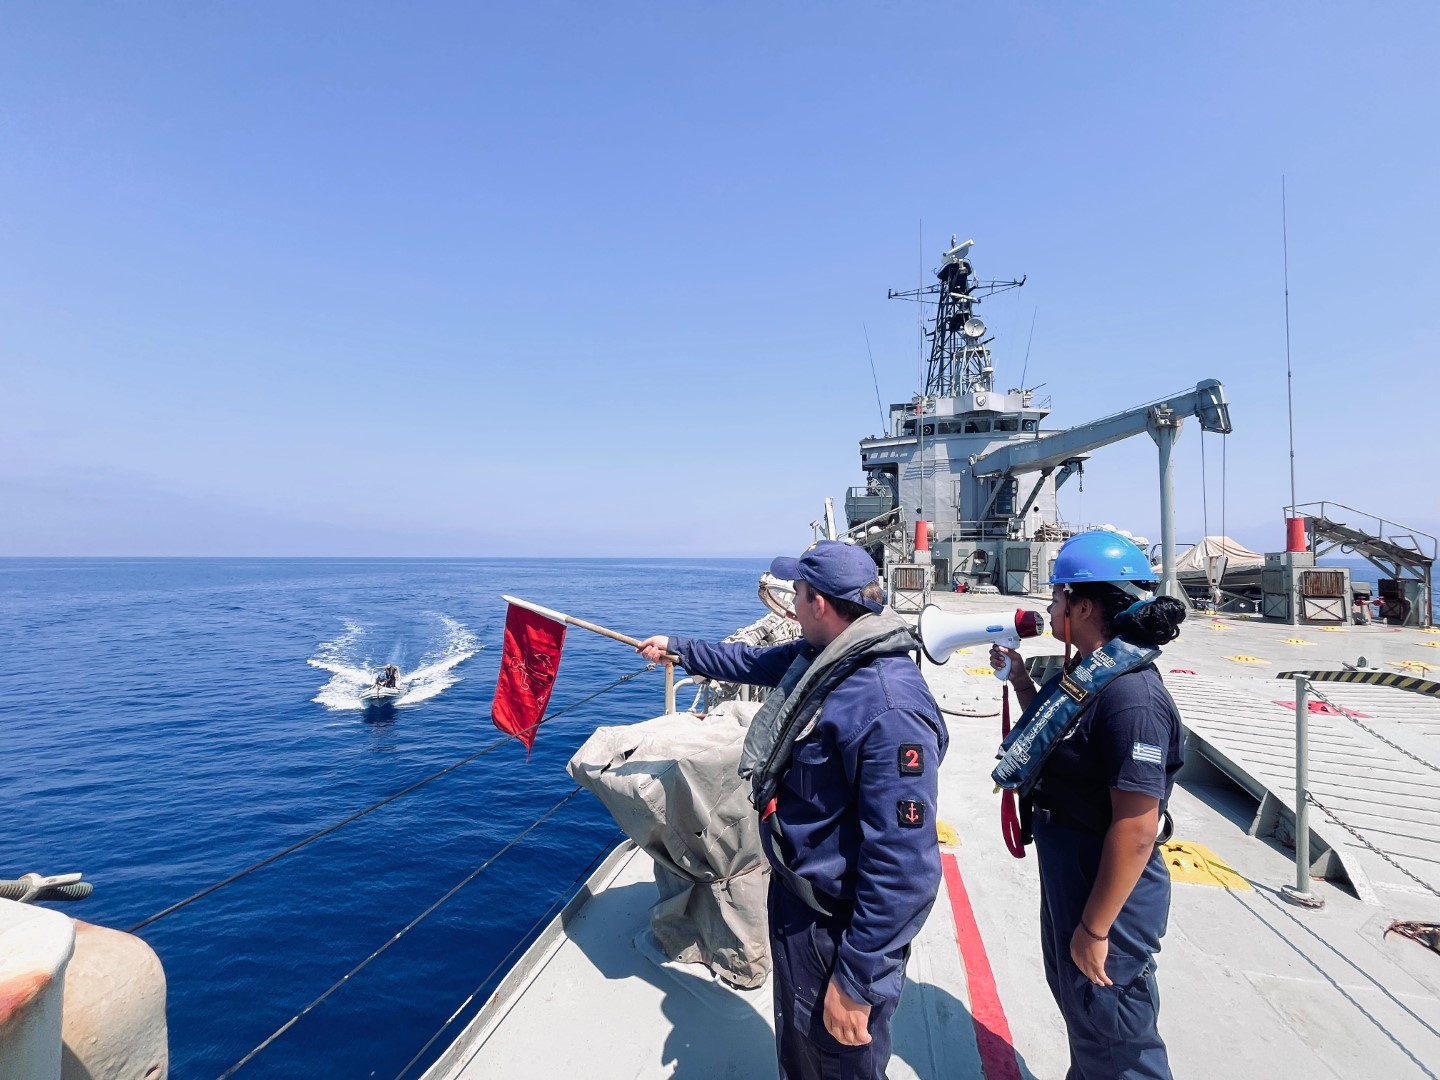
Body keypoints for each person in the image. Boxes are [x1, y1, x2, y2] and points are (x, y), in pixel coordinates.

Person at [637, 540, 947, 1080]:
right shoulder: (823, 657)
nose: (790, 607)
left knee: (836, 1061)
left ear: (819, 603)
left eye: (797, 594)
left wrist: (857, 981)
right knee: (801, 1049)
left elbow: (905, 866)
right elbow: (750, 662)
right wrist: (677, 649)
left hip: (837, 929)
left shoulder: (887, 706)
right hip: (797, 901)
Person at [990, 530, 1186, 1080]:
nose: (1051, 609)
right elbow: (1060, 735)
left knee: (1115, 1032)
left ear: (1082, 606)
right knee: (1082, 1011)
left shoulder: (1131, 698)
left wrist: (1097, 929)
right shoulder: (1090, 673)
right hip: (1072, 868)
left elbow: (1137, 827)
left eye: (1057, 597)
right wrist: (1021, 681)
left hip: (1105, 883)